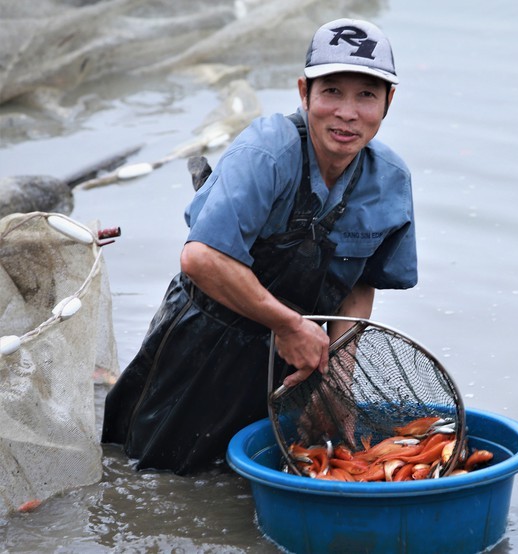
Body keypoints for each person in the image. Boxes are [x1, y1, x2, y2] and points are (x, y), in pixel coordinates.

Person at [101, 18, 417, 475]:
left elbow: (361, 283)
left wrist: (338, 379)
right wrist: (288, 325)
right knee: (150, 470)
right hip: (204, 338)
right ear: (304, 92)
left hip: (296, 357)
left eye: (366, 95)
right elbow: (200, 258)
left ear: (389, 102)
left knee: (270, 474)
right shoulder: (267, 152)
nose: (347, 112)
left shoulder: (390, 179)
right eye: (332, 92)